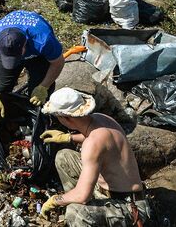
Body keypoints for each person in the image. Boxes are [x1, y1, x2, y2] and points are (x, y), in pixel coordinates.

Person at [39, 87, 152, 226]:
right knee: (64, 157)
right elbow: (101, 141)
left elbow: (83, 195)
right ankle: (82, 202)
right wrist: (68, 137)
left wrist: (55, 200)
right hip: (113, 190)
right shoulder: (102, 119)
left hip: (130, 207)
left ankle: (84, 211)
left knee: (76, 213)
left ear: (66, 118)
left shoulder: (92, 145)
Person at [0, 10, 64, 124]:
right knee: (1, 89)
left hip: (37, 55)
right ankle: (5, 120)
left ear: (25, 44)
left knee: (38, 95)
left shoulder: (43, 40)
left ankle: (39, 121)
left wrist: (44, 87)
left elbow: (57, 63)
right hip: (12, 50)